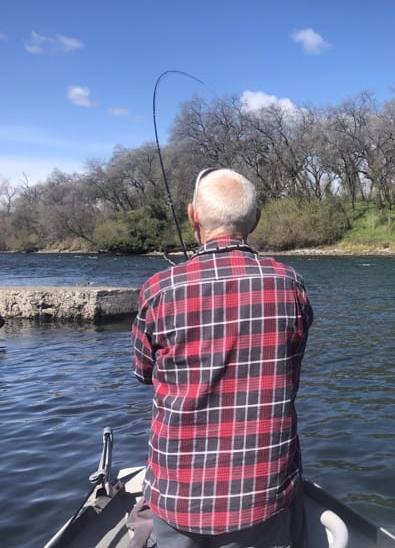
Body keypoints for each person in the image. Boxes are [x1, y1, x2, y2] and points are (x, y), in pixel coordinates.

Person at [132, 168, 313, 548]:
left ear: (192, 216)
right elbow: (292, 358)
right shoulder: (291, 283)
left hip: (177, 496)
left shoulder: (158, 290)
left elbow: (143, 372)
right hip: (263, 495)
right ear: (256, 220)